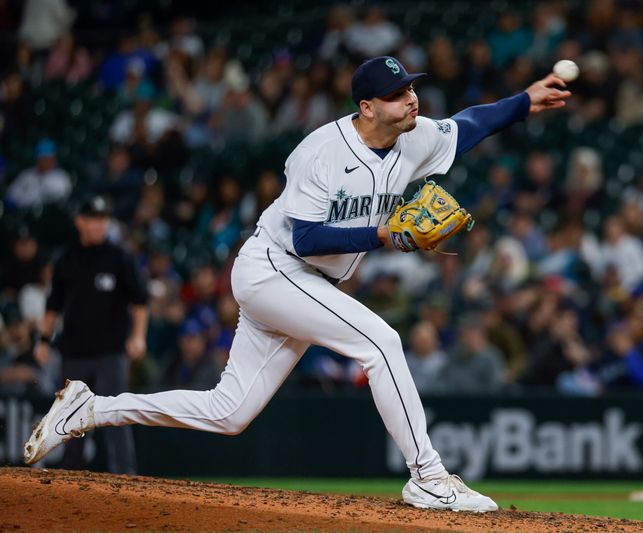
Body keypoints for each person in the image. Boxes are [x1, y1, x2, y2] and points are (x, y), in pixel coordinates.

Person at [25, 56, 570, 512]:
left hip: (305, 283)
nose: (411, 99)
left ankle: (91, 409)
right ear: (367, 107)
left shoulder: (415, 138)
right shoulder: (320, 152)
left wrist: (525, 100)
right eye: (398, 93)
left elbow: (471, 124)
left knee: (228, 412)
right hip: (275, 269)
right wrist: (386, 234)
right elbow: (308, 239)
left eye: (411, 88)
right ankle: (427, 475)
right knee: (381, 342)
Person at [30, 196, 148, 475]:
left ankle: (125, 474)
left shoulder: (119, 257)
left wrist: (138, 336)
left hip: (112, 353)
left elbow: (140, 301)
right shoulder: (66, 259)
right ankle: (72, 477)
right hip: (75, 353)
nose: (99, 225)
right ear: (79, 221)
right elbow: (53, 304)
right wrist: (44, 340)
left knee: (116, 415)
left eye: (103, 219)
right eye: (93, 219)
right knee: (70, 419)